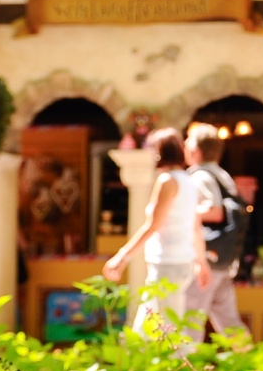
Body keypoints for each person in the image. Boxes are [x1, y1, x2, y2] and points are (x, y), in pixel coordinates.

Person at [102, 128, 210, 340]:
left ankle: (180, 361)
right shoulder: (189, 181)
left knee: (167, 332)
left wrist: (122, 256)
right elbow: (195, 227)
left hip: (168, 264)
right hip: (181, 263)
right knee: (146, 329)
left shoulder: (167, 181)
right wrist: (201, 261)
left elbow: (153, 225)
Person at [182, 125, 247, 341]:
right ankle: (251, 358)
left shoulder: (200, 176)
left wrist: (180, 213)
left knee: (190, 320)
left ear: (197, 151)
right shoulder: (221, 175)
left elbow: (214, 211)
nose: (184, 149)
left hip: (206, 260)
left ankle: (187, 361)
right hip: (224, 259)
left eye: (187, 144)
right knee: (229, 322)